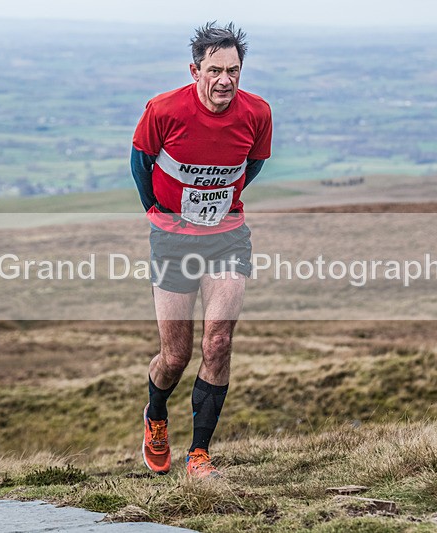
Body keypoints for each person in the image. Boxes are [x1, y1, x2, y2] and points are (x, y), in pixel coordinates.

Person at [130, 21, 272, 478]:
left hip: (227, 238)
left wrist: (221, 205)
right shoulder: (164, 109)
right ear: (195, 71)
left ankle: (199, 454)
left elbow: (253, 164)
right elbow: (140, 160)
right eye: (215, 70)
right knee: (176, 356)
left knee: (219, 342)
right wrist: (155, 208)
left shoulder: (257, 113)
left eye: (233, 70)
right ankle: (155, 416)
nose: (225, 80)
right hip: (172, 242)